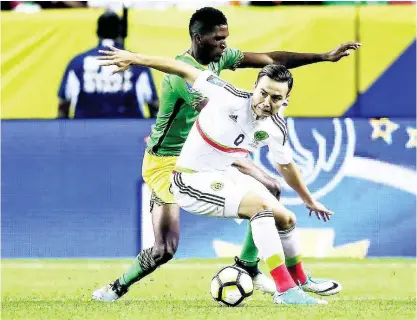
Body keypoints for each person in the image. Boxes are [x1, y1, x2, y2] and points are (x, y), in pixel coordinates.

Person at [92, 7, 359, 302]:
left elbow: (271, 60)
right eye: (218, 39)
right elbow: (216, 110)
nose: (224, 44)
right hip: (167, 161)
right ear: (198, 38)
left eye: (226, 37)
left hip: (215, 152)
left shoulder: (223, 58)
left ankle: (248, 265)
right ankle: (116, 287)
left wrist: (322, 57)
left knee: (271, 187)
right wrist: (252, 109)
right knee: (164, 249)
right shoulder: (184, 78)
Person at [58, 11, 159, 119]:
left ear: (97, 32)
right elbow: (155, 107)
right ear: (121, 32)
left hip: (84, 132)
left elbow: (63, 107)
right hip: (130, 132)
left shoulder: (76, 63)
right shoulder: (137, 63)